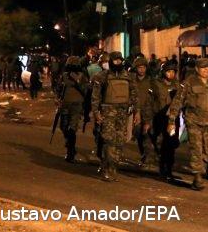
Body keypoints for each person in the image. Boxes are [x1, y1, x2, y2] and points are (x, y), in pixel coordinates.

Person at [168, 58, 208, 191]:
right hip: (194, 121)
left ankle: (199, 171)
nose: (206, 70)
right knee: (196, 149)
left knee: (207, 150)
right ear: (197, 69)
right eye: (203, 68)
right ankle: (197, 177)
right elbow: (177, 101)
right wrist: (171, 121)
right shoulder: (189, 82)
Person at [90, 51, 139, 182]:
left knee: (119, 141)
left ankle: (113, 166)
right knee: (109, 141)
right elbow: (95, 97)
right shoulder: (102, 76)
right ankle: (108, 167)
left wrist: (136, 112)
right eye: (115, 60)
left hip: (123, 113)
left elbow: (134, 95)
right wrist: (96, 112)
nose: (118, 63)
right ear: (111, 61)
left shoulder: (128, 76)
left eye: (119, 60)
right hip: (108, 113)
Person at [56, 56, 90, 162]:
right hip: (65, 105)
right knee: (63, 126)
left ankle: (70, 152)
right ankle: (69, 144)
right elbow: (59, 89)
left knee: (72, 129)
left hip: (77, 105)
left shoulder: (82, 76)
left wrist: (78, 81)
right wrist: (57, 99)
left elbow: (87, 90)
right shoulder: (64, 76)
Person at [150, 62, 180, 180]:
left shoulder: (177, 85)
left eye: (173, 71)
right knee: (161, 144)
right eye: (168, 71)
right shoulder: (156, 84)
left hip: (173, 119)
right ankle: (162, 168)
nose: (171, 74)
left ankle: (169, 169)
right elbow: (150, 101)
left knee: (171, 144)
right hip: (159, 118)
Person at [132, 57, 156, 169]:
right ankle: (143, 154)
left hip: (148, 111)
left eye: (143, 67)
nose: (141, 70)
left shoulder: (151, 81)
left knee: (147, 134)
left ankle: (148, 158)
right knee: (138, 134)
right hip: (135, 111)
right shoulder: (132, 80)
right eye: (139, 68)